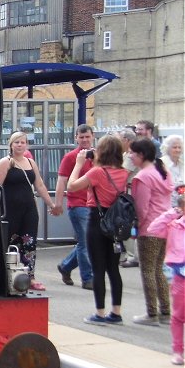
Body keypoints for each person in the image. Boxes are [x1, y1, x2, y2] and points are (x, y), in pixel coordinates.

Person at [67, 134, 129, 325]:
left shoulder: (96, 173)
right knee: (113, 270)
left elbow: (71, 187)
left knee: (98, 269)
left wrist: (78, 164)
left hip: (96, 221)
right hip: (115, 223)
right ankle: (116, 312)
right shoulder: (124, 172)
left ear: (101, 152)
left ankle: (100, 313)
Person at [0, 131, 59, 291]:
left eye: (22, 142)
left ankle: (30, 276)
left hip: (29, 208)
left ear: (27, 145)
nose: (19, 145)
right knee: (9, 241)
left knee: (29, 242)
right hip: (10, 209)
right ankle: (5, 274)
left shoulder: (31, 162)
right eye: (16, 142)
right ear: (11, 145)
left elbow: (39, 185)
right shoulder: (5, 162)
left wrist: (51, 204)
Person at [128, 139, 173, 325]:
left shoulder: (143, 177)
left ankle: (151, 313)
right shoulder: (163, 172)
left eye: (132, 153)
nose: (130, 156)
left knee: (147, 270)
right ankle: (165, 311)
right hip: (166, 227)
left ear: (141, 155)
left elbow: (141, 209)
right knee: (159, 270)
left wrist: (135, 227)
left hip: (150, 228)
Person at [146, 193, 185, 365]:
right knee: (178, 316)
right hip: (180, 277)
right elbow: (152, 229)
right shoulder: (174, 225)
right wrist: (171, 213)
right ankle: (177, 350)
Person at [54, 124, 93, 289]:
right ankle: (88, 278)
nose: (84, 140)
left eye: (87, 137)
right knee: (86, 243)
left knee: (87, 243)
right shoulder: (71, 157)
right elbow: (62, 181)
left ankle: (65, 266)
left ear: (92, 137)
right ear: (76, 138)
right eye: (81, 137)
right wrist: (57, 203)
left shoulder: (98, 156)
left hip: (94, 205)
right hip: (78, 205)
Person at [117, 128, 140, 268]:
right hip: (128, 191)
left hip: (130, 193)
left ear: (126, 140)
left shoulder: (132, 155)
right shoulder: (127, 153)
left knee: (129, 223)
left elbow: (123, 174)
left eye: (120, 140)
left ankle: (132, 255)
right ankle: (128, 254)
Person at [161, 134, 183, 207]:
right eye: (174, 147)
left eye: (179, 147)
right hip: (166, 206)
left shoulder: (183, 163)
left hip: (182, 206)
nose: (178, 150)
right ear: (167, 148)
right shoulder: (161, 164)